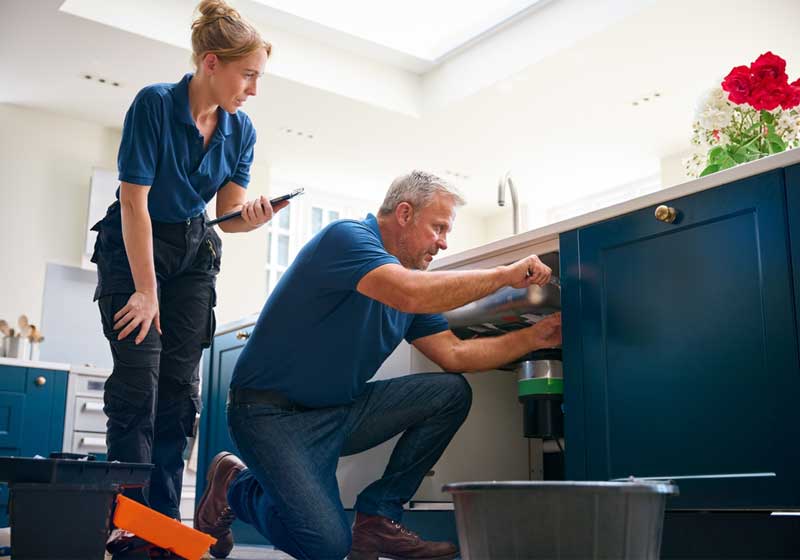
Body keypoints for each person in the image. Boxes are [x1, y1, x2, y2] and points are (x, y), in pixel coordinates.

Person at [194, 170, 562, 560]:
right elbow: (406, 292)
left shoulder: (412, 281)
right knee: (327, 547)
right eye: (438, 227)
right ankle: (236, 484)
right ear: (404, 213)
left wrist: (534, 338)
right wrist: (504, 276)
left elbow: (455, 354)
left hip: (338, 413)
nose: (443, 242)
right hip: (268, 414)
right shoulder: (347, 238)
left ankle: (378, 518)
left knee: (450, 393)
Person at [90, 0, 281, 554]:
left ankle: (163, 525)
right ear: (213, 63)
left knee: (178, 395)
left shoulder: (241, 130)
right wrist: (145, 291)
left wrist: (253, 218)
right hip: (135, 251)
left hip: (195, 254)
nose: (253, 89)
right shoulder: (154, 104)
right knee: (137, 386)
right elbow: (134, 204)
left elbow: (228, 211)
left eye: (258, 77)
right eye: (248, 75)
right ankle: (127, 523)